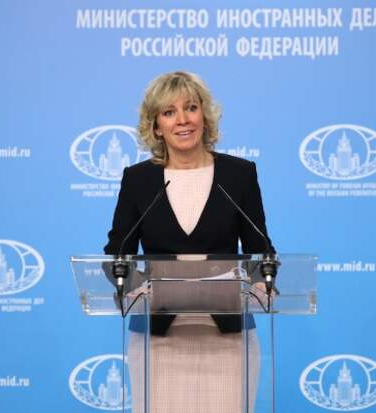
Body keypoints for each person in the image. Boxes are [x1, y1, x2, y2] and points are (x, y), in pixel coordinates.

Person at [104, 71, 274, 413]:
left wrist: (261, 282)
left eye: (191, 108)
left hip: (228, 335)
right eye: (169, 112)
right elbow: (116, 255)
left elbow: (261, 252)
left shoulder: (238, 175)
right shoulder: (138, 180)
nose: (182, 120)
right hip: (157, 337)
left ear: (204, 116)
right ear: (156, 126)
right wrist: (135, 288)